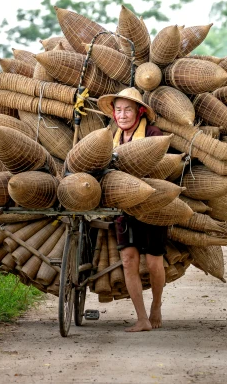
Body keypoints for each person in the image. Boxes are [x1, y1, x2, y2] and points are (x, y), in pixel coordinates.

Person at [97, 87, 167, 332]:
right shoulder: (109, 137)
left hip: (151, 205)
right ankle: (142, 318)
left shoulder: (152, 133)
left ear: (140, 112)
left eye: (128, 109)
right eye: (118, 110)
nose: (123, 115)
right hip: (122, 208)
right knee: (128, 260)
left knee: (154, 262)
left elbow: (160, 167)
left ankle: (156, 305)